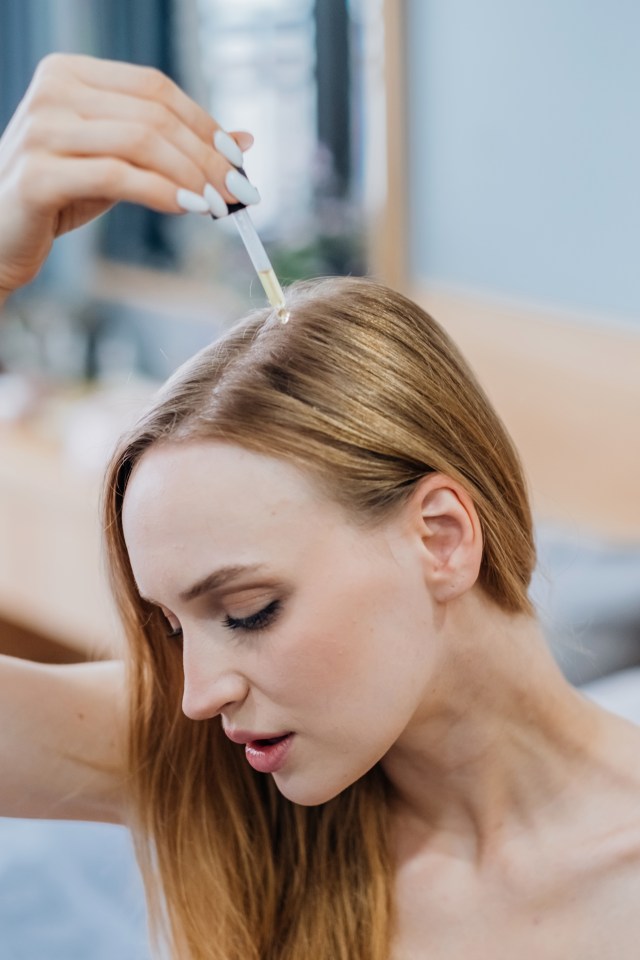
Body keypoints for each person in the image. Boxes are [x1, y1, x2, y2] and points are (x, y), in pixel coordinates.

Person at [2, 55, 640, 960]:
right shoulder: (228, 784)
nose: (195, 697)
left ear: (443, 538)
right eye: (176, 629)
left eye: (247, 611)